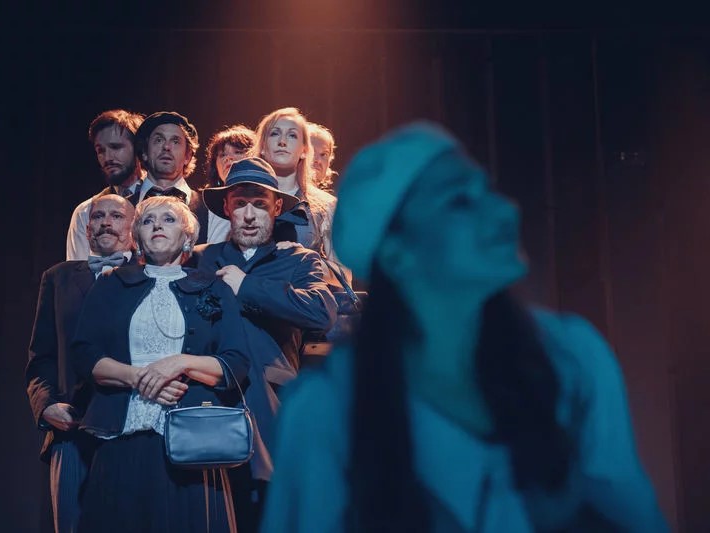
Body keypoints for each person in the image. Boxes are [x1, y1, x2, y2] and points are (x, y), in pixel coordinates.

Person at [261, 122, 669, 532]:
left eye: (486, 191)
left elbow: (632, 515)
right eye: (459, 201)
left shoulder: (570, 357)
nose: (504, 211)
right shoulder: (328, 408)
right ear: (397, 254)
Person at [71, 195, 250, 533]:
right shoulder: (111, 284)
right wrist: (139, 377)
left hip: (192, 444)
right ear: (137, 236)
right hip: (121, 437)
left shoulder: (213, 287)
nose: (157, 226)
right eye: (147, 221)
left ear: (187, 236)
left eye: (168, 219)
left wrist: (178, 364)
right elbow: (84, 355)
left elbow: (235, 363)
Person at [196, 157, 337, 532]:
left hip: (271, 407)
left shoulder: (299, 260)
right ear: (226, 207)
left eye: (259, 204)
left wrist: (246, 286)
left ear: (276, 208)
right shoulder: (202, 258)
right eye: (240, 203)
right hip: (208, 404)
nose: (249, 215)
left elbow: (321, 313)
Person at [26, 194, 136, 533]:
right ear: (87, 229)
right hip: (70, 430)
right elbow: (41, 356)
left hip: (130, 428)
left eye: (116, 216)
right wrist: (46, 406)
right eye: (98, 216)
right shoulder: (57, 277)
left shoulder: (148, 276)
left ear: (133, 229)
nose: (106, 222)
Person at [250, 107, 338, 261]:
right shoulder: (242, 197)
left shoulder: (326, 206)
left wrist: (303, 259)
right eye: (274, 133)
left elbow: (343, 271)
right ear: (262, 146)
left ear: (304, 150)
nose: (282, 142)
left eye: (292, 135)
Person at [66, 109, 146, 260]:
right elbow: (78, 270)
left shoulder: (166, 201)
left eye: (116, 147)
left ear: (138, 148)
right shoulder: (86, 211)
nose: (107, 157)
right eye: (100, 150)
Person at [134, 110, 215, 245]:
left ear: (188, 156)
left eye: (175, 141)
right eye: (158, 140)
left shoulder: (209, 210)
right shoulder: (121, 208)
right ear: (144, 153)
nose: (166, 147)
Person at [201, 125, 257, 244]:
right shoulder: (202, 206)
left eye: (238, 152)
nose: (228, 158)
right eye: (222, 155)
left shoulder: (268, 199)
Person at [307, 122, 337, 194]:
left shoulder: (331, 200)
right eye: (312, 152)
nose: (318, 160)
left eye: (323, 154)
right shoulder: (281, 196)